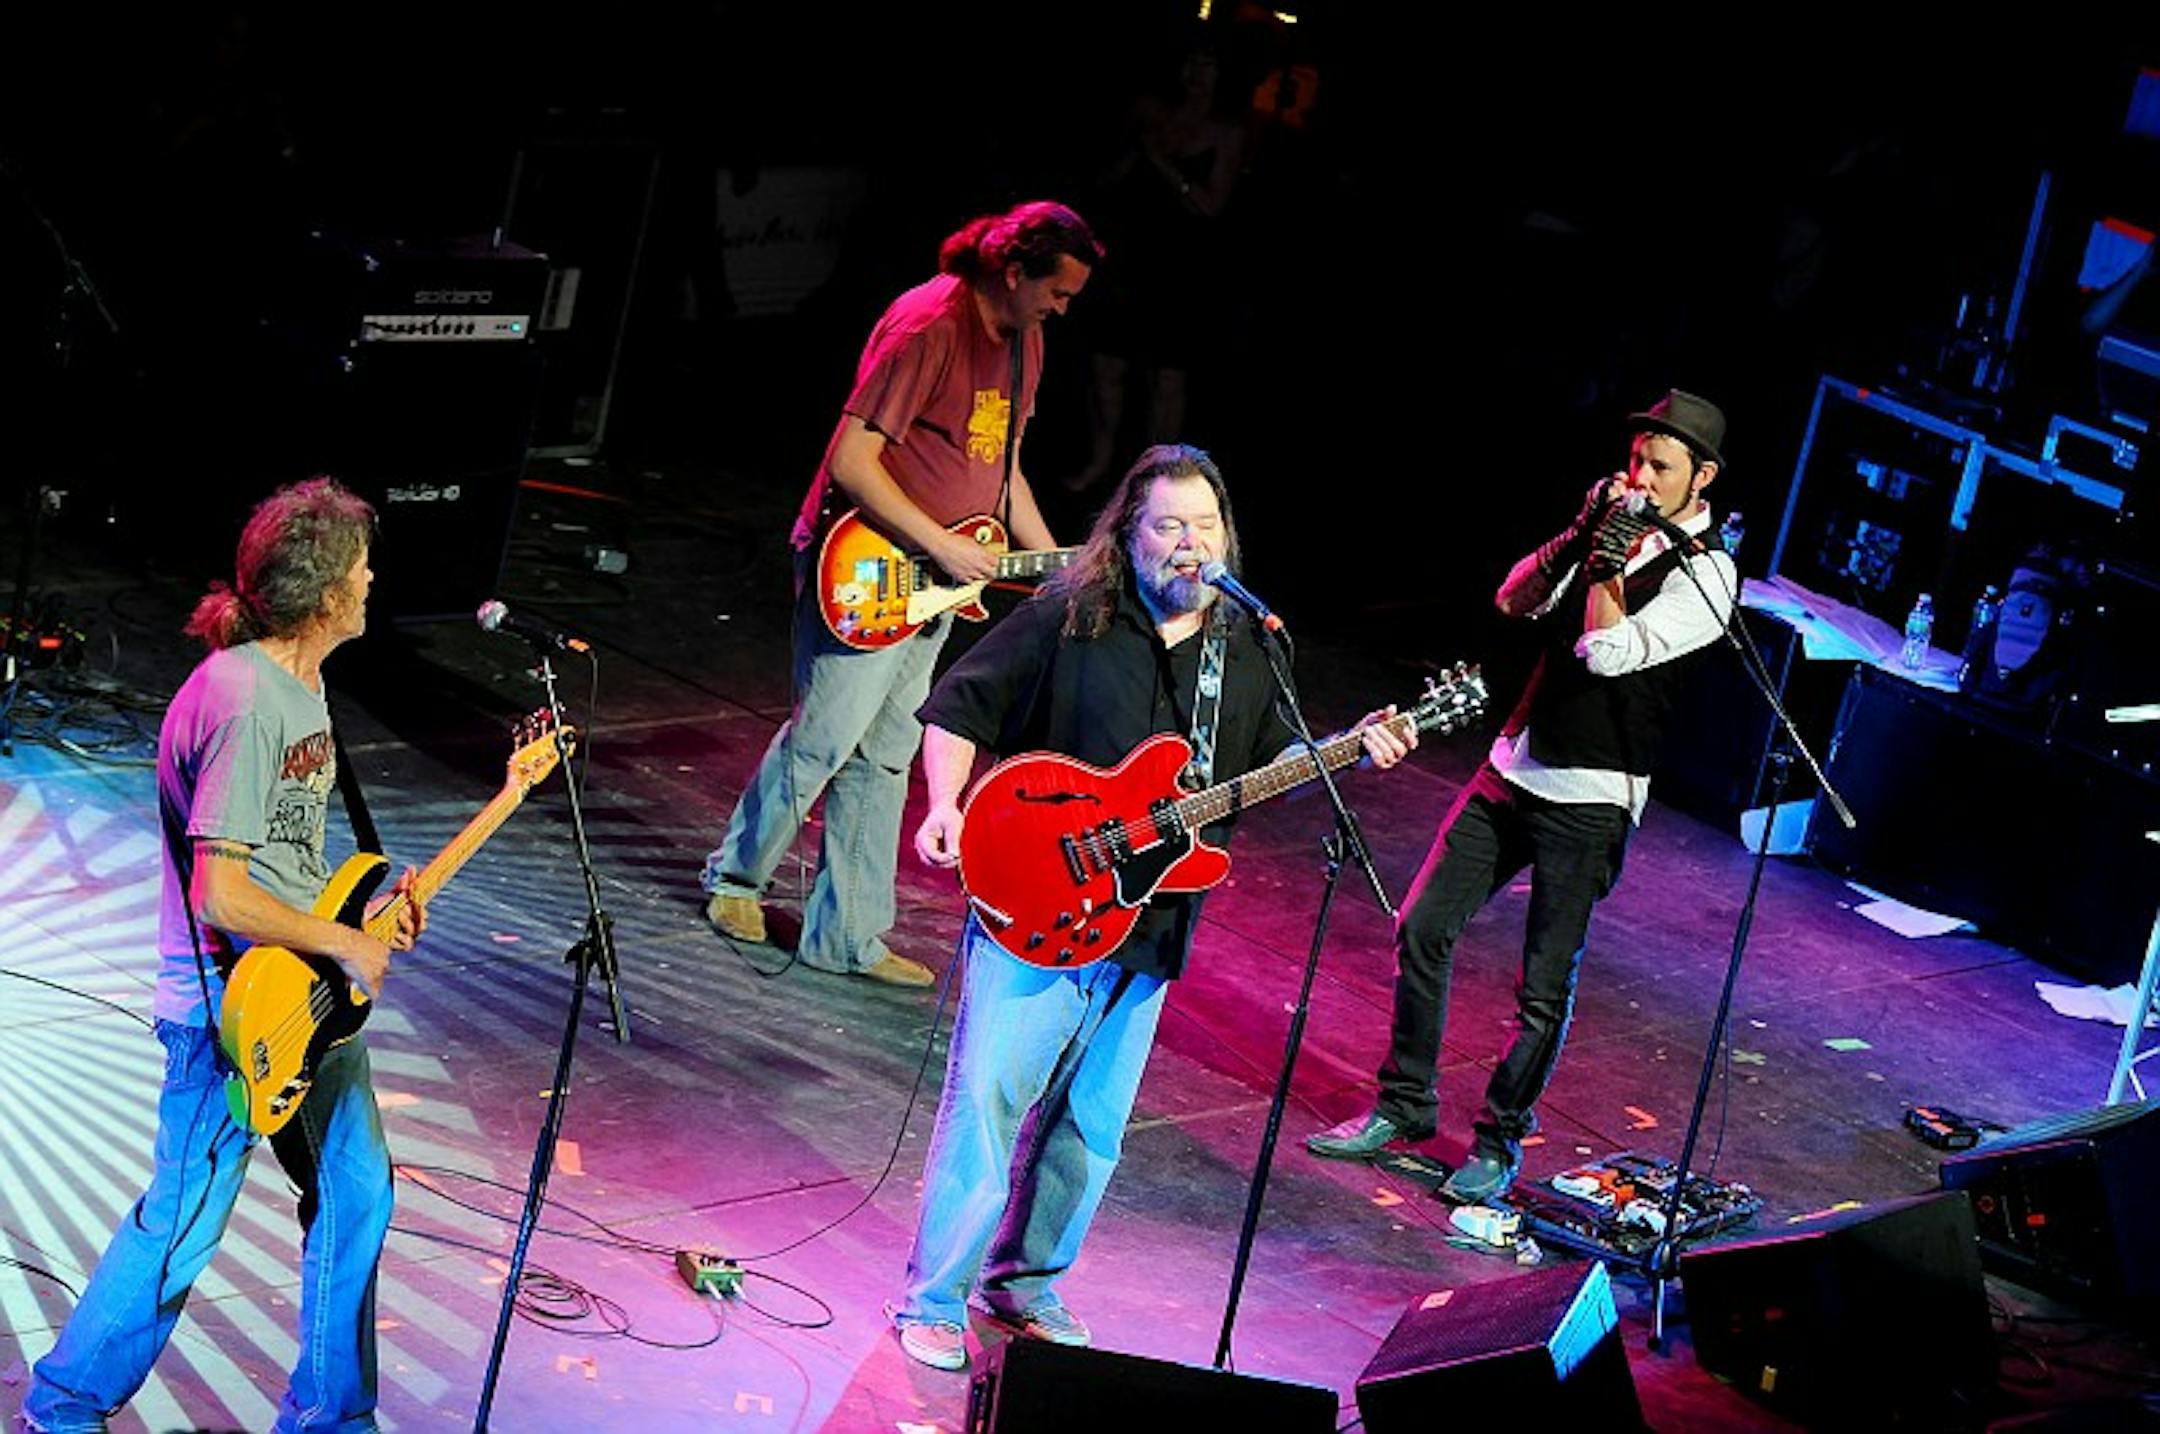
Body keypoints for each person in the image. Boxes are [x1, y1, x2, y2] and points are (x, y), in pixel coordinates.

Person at [885, 443, 1413, 1371]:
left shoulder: (1247, 650)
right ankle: (933, 1300)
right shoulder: (1070, 616)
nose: (1188, 543)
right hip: (1037, 904)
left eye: (1204, 526)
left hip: (1152, 924)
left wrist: (1350, 749)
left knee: (1091, 1128)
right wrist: (944, 804)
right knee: (989, 1106)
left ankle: (1025, 1287)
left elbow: (1271, 766)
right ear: (1131, 533)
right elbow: (959, 707)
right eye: (1168, 525)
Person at [23, 476, 426, 1433]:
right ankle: (62, 1407)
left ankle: (332, 1417)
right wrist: (343, 941)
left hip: (303, 995)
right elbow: (222, 895)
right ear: (323, 593)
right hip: (229, 1015)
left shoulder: (300, 685)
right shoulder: (248, 703)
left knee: (356, 1193)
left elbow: (284, 861)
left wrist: (361, 910)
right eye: (362, 567)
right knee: (182, 1224)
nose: (373, 581)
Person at [1306, 391, 1737, 1205]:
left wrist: (1608, 566)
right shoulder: (1608, 527)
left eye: (1660, 467)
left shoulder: (1709, 574)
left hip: (1594, 795)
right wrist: (1581, 536)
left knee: (1540, 990)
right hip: (1515, 765)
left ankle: (1498, 1141)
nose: (1641, 478)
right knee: (1423, 924)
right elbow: (1513, 599)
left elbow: (1607, 651)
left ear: (1702, 477)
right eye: (1636, 461)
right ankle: (1405, 1102)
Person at [699, 200, 1102, 988]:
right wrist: (937, 542)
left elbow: (1004, 470)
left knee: (886, 754)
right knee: (825, 737)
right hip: (868, 563)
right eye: (1056, 291)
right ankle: (735, 882)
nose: (1062, 308)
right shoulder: (929, 325)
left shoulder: (1027, 342)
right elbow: (851, 459)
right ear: (1012, 271)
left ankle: (846, 937)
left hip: (938, 582)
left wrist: (1062, 566)